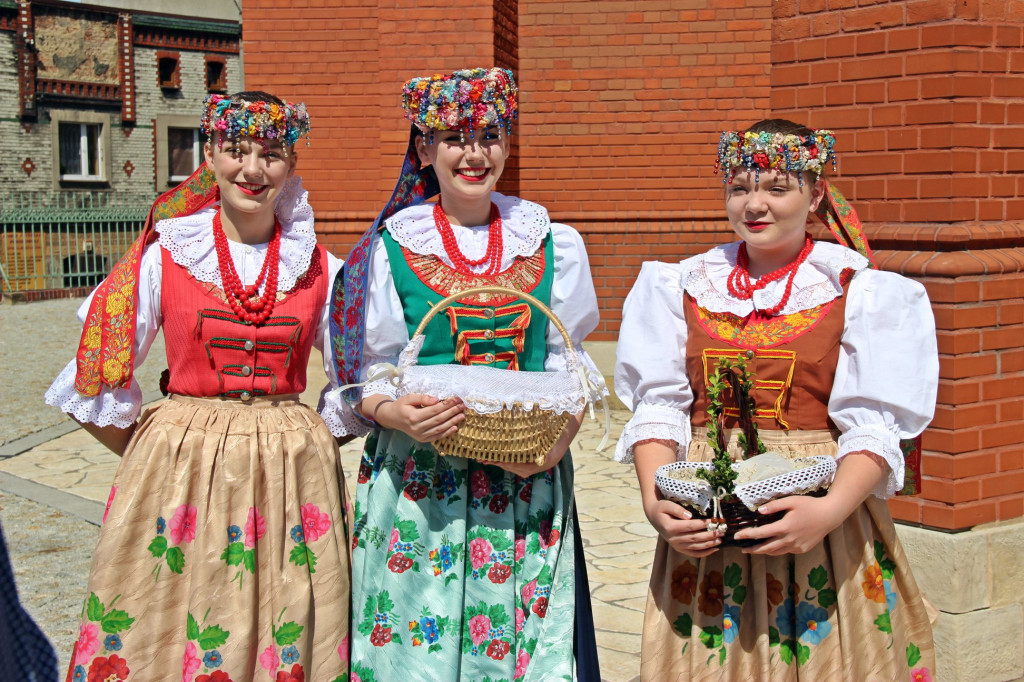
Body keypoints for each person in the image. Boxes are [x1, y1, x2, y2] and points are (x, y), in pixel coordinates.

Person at [45, 91, 354, 681]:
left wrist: (302, 440)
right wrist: (153, 451)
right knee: (168, 614)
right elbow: (90, 381)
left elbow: (357, 382)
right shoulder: (165, 258)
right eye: (236, 150)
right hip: (182, 470)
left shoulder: (322, 269)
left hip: (290, 474)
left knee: (284, 619)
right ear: (210, 154)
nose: (253, 170)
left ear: (291, 164)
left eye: (271, 154)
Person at [614, 119, 938, 680]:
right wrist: (656, 506)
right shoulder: (681, 284)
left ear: (815, 194)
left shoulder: (857, 288)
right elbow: (659, 407)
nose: (754, 204)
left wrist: (828, 512)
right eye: (739, 188)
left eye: (776, 188)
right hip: (707, 524)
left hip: (819, 518)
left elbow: (875, 425)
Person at [328, 67, 602, 680]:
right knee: (415, 651)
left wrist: (558, 440)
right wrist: (391, 412)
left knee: (525, 646)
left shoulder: (549, 239)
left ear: (507, 144)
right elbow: (369, 370)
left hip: (527, 477)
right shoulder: (391, 245)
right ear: (425, 148)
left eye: (490, 136)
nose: (474, 154)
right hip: (422, 485)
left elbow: (569, 362)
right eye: (454, 138)